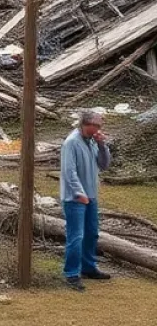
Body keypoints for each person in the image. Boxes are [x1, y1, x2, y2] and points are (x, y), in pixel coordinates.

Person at [60, 109, 112, 290]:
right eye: (96, 125)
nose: (99, 129)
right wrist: (78, 193)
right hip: (75, 197)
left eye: (100, 125)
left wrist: (103, 145)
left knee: (92, 233)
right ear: (85, 124)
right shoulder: (71, 142)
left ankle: (89, 267)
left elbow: (104, 165)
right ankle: (72, 273)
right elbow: (69, 171)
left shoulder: (92, 141)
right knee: (76, 236)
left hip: (91, 195)